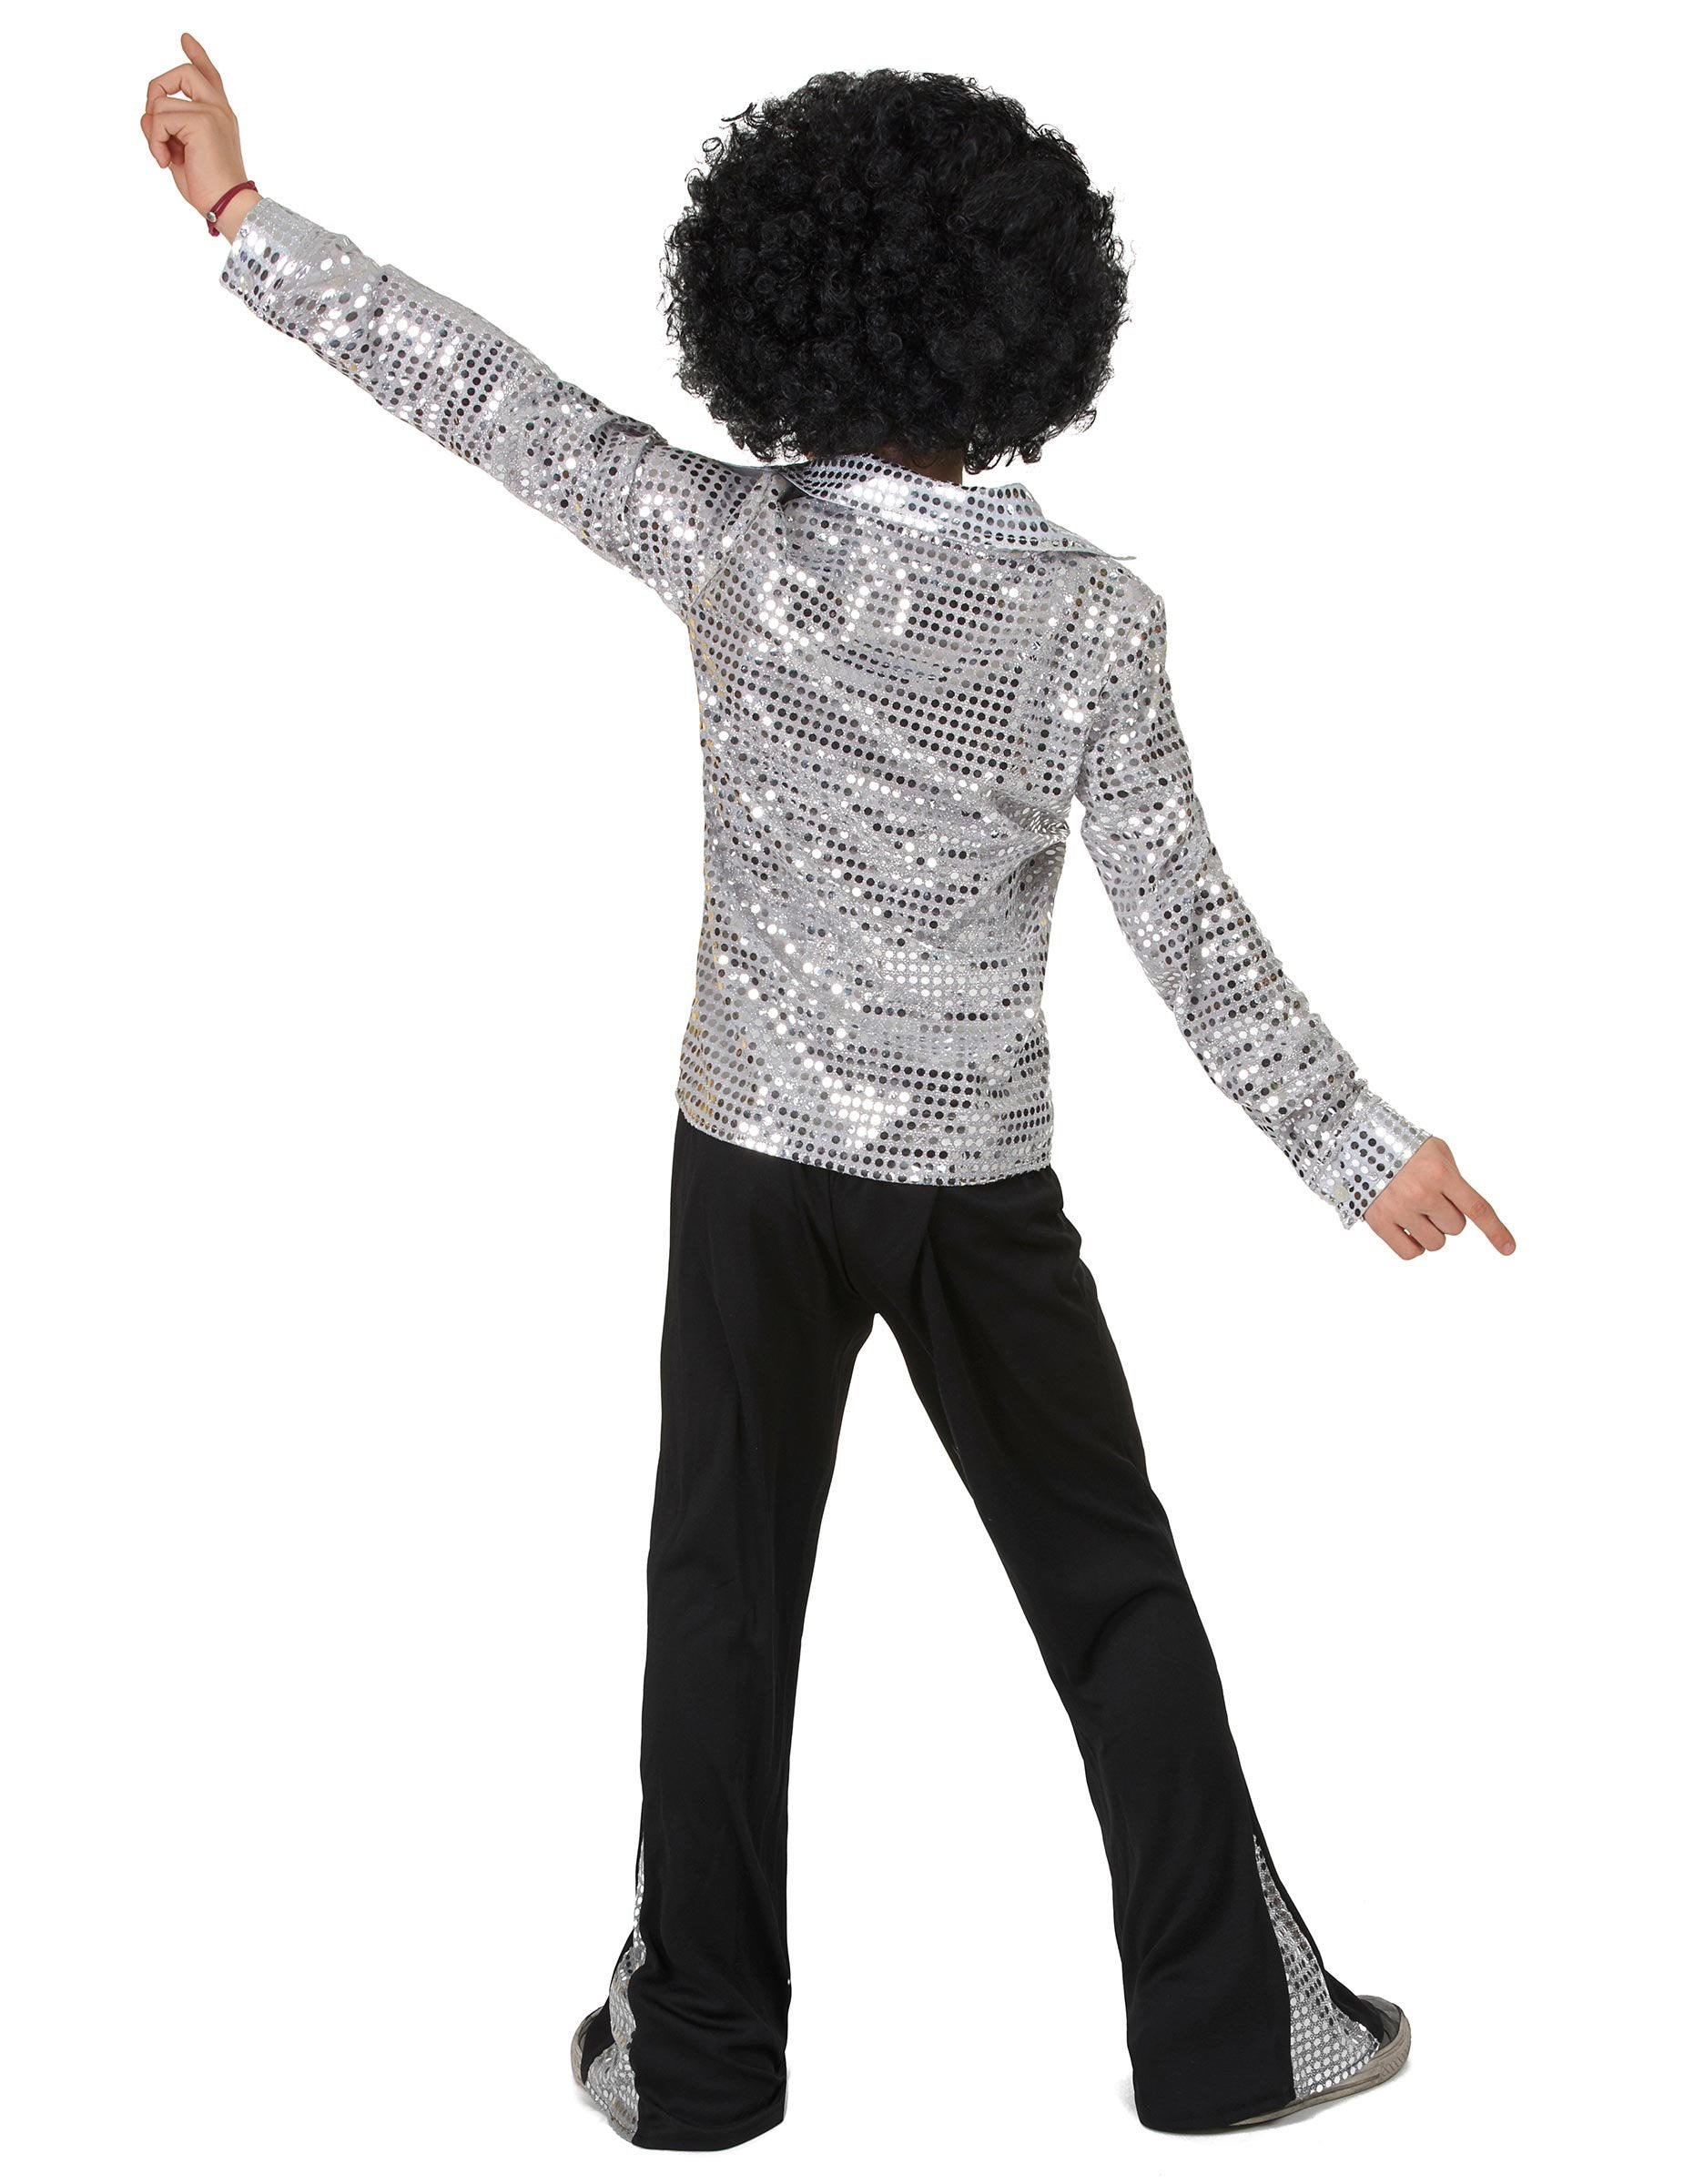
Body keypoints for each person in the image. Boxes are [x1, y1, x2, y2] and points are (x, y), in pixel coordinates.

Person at [142, 32, 1516, 2153]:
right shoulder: (1088, 621)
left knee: (720, 1593)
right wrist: (1361, 1153)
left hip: (748, 1164)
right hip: (975, 1186)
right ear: (1034, 331)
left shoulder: (737, 546)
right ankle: (1242, 2043)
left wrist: (243, 217)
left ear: (778, 312)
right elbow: (1194, 936)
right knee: (1108, 1585)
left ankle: (695, 2060)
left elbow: (487, 397)